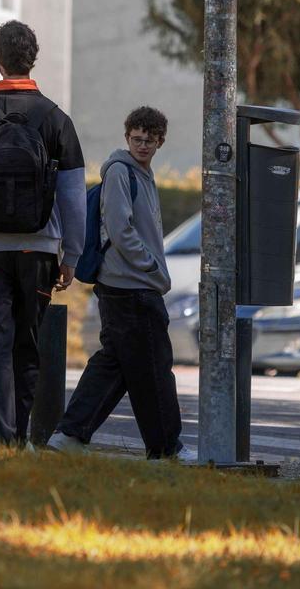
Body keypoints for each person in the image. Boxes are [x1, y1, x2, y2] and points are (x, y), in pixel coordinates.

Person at [0, 20, 87, 446]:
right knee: (28, 346)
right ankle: (21, 436)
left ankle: (0, 438)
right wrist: (71, 255)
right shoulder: (57, 119)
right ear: (34, 59)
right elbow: (73, 195)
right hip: (40, 249)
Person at [46, 107, 196, 460]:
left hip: (127, 284)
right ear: (127, 137)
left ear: (160, 142)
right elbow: (119, 229)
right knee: (155, 367)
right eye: (136, 139)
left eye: (149, 140)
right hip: (131, 284)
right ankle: (166, 449)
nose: (142, 145)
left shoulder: (142, 174)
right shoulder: (119, 171)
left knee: (115, 364)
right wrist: (151, 267)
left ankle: (69, 435)